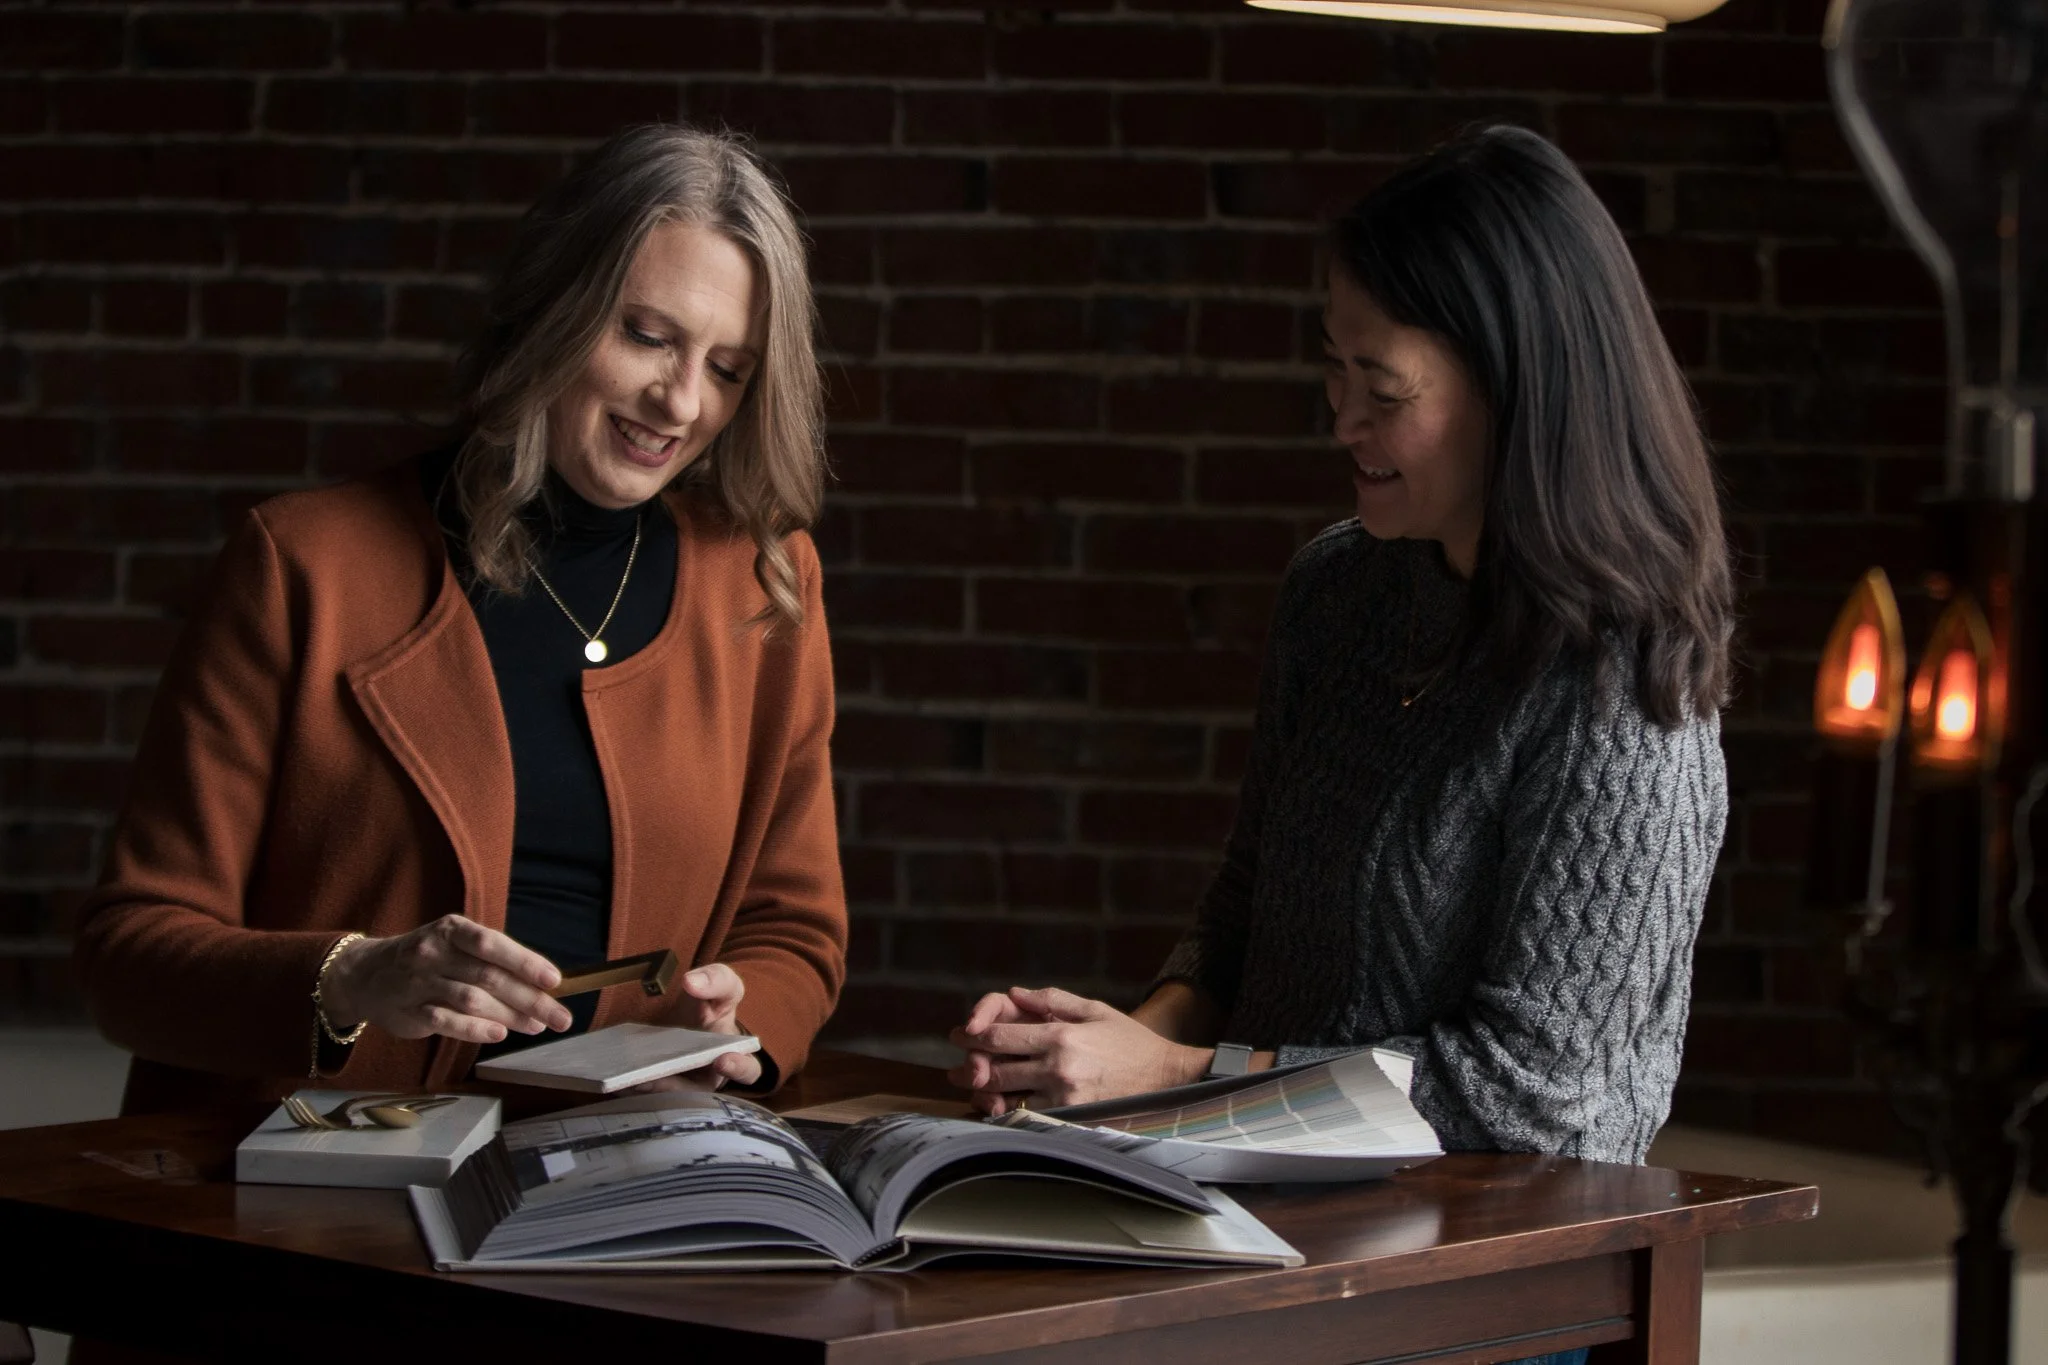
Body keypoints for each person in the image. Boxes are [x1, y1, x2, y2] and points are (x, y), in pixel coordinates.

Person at [952, 126, 1731, 1173]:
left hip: (1497, 1278)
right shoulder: (1336, 588)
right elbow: (1244, 912)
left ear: (1514, 390)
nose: (1342, 420)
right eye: (1334, 370)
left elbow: (1531, 1099)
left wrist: (1171, 1076)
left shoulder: (1619, 685)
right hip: (1262, 1198)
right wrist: (1101, 1057)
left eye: (1385, 389)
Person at [75, 124, 845, 1113]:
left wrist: (746, 1021)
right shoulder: (303, 564)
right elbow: (126, 954)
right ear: (553, 311)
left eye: (728, 368)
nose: (680, 400)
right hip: (317, 1175)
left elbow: (793, 929)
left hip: (618, 1173)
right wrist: (351, 979)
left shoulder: (765, 583)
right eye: (646, 335)